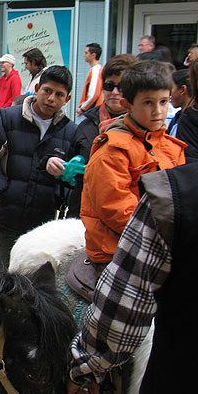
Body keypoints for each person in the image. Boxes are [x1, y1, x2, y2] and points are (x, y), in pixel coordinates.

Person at [69, 151, 198, 394]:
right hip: (109, 237)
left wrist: (83, 369)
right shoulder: (114, 149)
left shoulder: (176, 190)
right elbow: (109, 201)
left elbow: (122, 310)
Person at [79, 60, 186, 270]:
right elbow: (116, 209)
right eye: (148, 102)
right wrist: (167, 232)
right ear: (128, 104)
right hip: (118, 251)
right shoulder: (113, 150)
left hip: (162, 245)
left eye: (163, 102)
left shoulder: (173, 148)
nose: (157, 111)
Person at [0, 65, 77, 270]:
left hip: (43, 225)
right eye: (47, 90)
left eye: (59, 94)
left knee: (31, 282)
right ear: (37, 88)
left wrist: (59, 194)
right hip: (6, 217)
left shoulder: (71, 132)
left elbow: (75, 176)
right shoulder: (7, 118)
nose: (51, 98)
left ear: (67, 99)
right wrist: (2, 190)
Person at [55, 54, 139, 217]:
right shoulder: (86, 123)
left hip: (122, 219)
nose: (115, 92)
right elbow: (69, 174)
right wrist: (63, 169)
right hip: (82, 214)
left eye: (121, 87)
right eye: (109, 85)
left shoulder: (143, 127)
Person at [76, 43, 104, 117]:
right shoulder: (97, 69)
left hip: (90, 113)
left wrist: (82, 108)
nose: (84, 55)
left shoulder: (96, 70)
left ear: (93, 55)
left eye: (86, 53)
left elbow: (94, 94)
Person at [166, 68, 191, 137]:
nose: (169, 95)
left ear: (183, 90)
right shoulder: (178, 116)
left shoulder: (191, 122)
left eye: (171, 89)